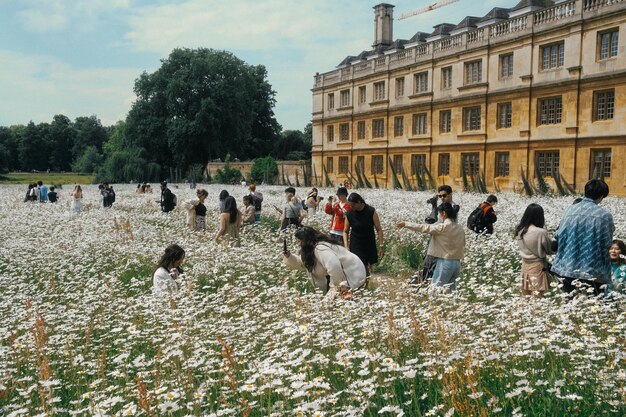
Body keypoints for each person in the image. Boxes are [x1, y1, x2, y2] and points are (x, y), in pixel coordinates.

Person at [552, 179, 614, 296]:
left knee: (569, 305)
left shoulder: (569, 210)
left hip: (567, 267)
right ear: (601, 196)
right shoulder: (605, 215)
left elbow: (558, 235)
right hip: (593, 270)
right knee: (593, 305)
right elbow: (606, 243)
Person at [396, 202, 465, 291]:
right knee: (453, 292)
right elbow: (463, 244)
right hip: (457, 263)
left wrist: (405, 224)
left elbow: (424, 227)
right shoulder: (460, 228)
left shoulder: (443, 227)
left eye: (440, 214)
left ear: (443, 213)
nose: (440, 216)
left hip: (445, 262)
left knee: (435, 290)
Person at [283, 226, 367, 298]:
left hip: (351, 274)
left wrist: (336, 287)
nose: (298, 244)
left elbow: (334, 266)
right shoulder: (311, 249)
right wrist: (289, 256)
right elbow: (302, 264)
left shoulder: (320, 248)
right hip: (340, 277)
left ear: (306, 241)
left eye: (299, 241)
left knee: (329, 304)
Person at [515, 203, 554, 297]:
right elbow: (549, 250)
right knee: (537, 297)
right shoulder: (541, 232)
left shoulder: (520, 230)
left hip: (525, 265)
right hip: (538, 266)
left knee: (525, 296)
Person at [344, 193, 384, 277]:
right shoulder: (349, 213)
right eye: (350, 205)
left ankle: (367, 284)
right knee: (361, 265)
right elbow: (345, 231)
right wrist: (346, 246)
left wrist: (381, 245)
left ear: (359, 202)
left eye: (353, 205)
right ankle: (363, 284)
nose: (351, 207)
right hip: (356, 243)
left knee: (370, 266)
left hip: (369, 242)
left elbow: (379, 229)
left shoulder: (371, 211)